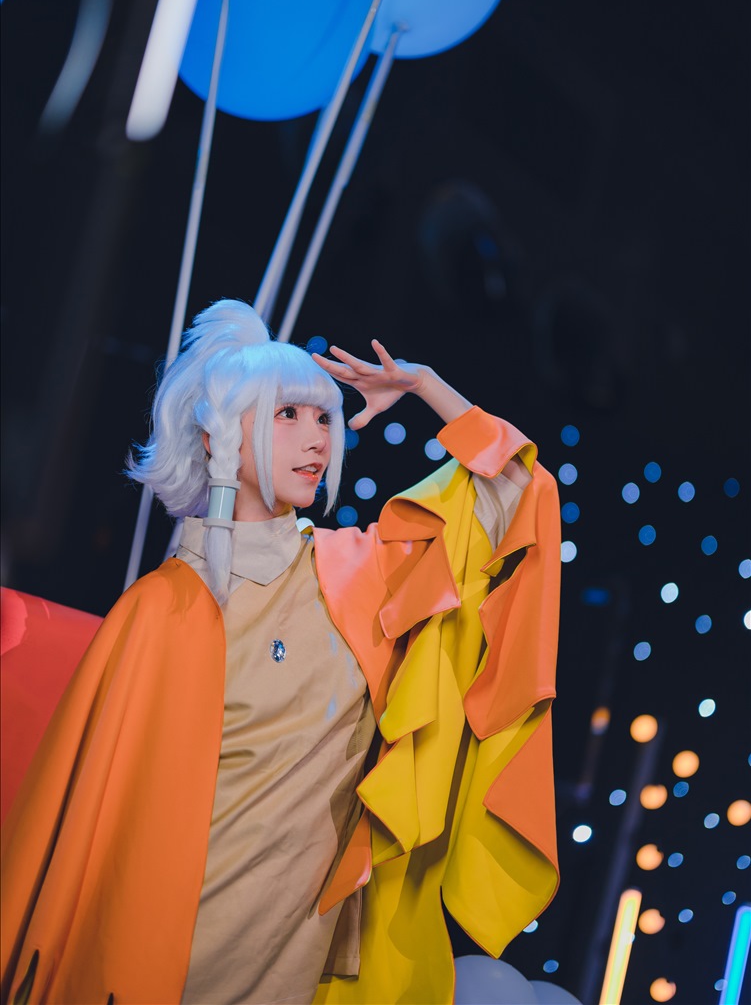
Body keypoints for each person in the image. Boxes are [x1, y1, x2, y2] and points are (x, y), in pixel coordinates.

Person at [1, 299, 561, 1005]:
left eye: (324, 417)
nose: (316, 438)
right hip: (163, 953)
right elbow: (85, 830)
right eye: (287, 415)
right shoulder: (161, 607)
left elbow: (516, 492)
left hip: (292, 959)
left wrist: (426, 387)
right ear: (217, 435)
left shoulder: (361, 573)